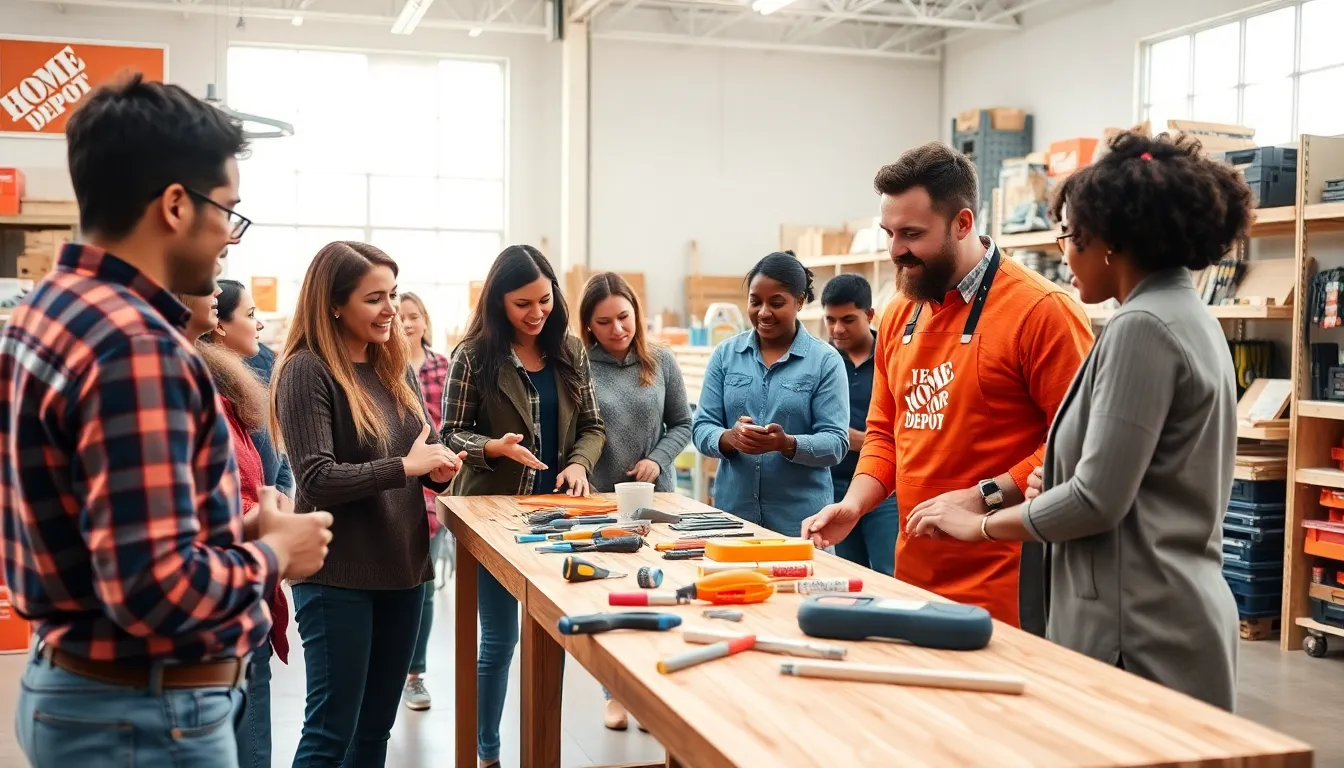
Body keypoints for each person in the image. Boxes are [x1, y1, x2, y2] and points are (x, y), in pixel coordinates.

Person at [1, 74, 332, 768]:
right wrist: (276, 554)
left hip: (83, 692)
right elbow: (154, 591)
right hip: (142, 717)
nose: (229, 239)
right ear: (176, 205)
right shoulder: (137, 346)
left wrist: (236, 527)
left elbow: (98, 533)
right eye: (228, 212)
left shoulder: (47, 309)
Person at [906, 130, 1247, 711]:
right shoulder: (1189, 315)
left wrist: (982, 524)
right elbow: (1144, 474)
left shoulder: (1143, 328)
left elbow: (1097, 502)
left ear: (1109, 242)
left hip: (1136, 628)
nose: (1063, 254)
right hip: (1164, 608)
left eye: (1069, 235)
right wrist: (1058, 475)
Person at [802, 142, 1093, 630]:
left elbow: (1076, 444)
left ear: (962, 223)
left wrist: (984, 496)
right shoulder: (898, 312)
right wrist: (855, 504)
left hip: (1009, 582)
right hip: (914, 576)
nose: (896, 250)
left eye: (912, 234)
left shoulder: (1042, 312)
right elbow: (883, 433)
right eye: (889, 233)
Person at [272, 241, 465, 766]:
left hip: (401, 569)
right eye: (374, 298)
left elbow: (411, 457)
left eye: (394, 295)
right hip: (338, 575)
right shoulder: (306, 371)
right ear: (333, 303)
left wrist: (437, 473)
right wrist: (406, 467)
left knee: (375, 730)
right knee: (331, 732)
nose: (391, 311)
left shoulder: (392, 367)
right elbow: (318, 477)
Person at [441, 244, 606, 768]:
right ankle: (487, 753)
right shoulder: (473, 356)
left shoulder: (570, 350)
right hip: (494, 515)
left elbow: (592, 426)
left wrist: (579, 463)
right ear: (497, 303)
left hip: (558, 514)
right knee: (499, 638)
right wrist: (491, 448)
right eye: (522, 305)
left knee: (551, 635)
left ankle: (541, 750)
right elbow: (450, 433)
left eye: (545, 300)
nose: (538, 313)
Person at [580, 272, 692, 731]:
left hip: (657, 498)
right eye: (604, 322)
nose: (617, 329)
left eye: (623, 317)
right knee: (613, 596)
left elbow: (683, 424)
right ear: (589, 325)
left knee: (658, 592)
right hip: (602, 500)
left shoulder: (661, 361)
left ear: (636, 314)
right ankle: (616, 693)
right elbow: (577, 433)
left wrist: (657, 457)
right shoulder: (580, 367)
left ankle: (652, 691)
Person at [691, 252, 850, 536]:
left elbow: (836, 442)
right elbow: (702, 427)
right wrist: (730, 438)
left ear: (799, 302)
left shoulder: (825, 361)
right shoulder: (726, 356)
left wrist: (787, 444)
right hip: (733, 521)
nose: (763, 312)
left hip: (801, 525)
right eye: (755, 302)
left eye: (776, 303)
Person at [200, 279, 287, 768]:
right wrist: (267, 527)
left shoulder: (246, 382)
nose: (258, 323)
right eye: (247, 313)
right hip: (229, 586)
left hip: (249, 576)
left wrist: (277, 509)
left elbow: (277, 462)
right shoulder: (196, 396)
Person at [820, 273, 898, 576]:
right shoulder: (822, 361)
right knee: (849, 577)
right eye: (831, 320)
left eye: (848, 319)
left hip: (884, 492)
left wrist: (857, 440)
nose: (838, 329)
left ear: (869, 314)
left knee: (888, 574)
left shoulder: (892, 357)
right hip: (834, 488)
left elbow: (909, 431)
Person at [398, 290, 452, 712]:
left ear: (425, 321)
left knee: (426, 587)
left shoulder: (442, 368)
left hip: (433, 491)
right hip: (395, 487)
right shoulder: (386, 370)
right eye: (400, 316)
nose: (406, 323)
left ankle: (414, 674)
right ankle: (391, 669)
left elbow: (447, 430)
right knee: (398, 588)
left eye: (413, 316)